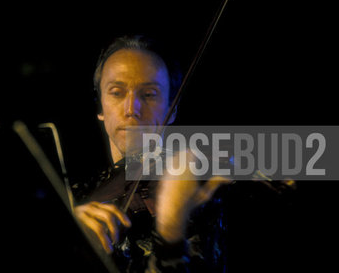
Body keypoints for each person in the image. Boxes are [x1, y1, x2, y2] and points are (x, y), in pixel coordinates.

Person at [73, 35, 233, 272]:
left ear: (172, 109)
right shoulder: (74, 198)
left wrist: (171, 230)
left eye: (149, 94)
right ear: (100, 108)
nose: (131, 109)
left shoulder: (204, 195)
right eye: (117, 92)